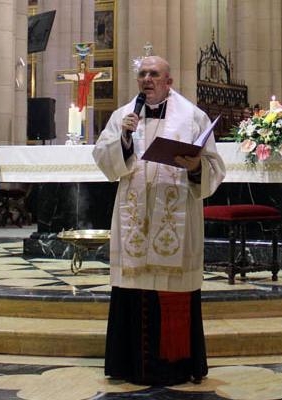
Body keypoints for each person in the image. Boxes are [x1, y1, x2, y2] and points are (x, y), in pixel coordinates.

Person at [93, 56, 226, 386]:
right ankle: (128, 366)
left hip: (175, 217)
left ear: (169, 81)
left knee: (172, 288)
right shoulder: (123, 116)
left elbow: (215, 166)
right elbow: (103, 157)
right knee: (132, 289)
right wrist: (124, 140)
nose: (147, 80)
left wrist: (194, 167)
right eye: (142, 74)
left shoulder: (193, 116)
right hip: (134, 218)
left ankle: (176, 366)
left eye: (154, 74)